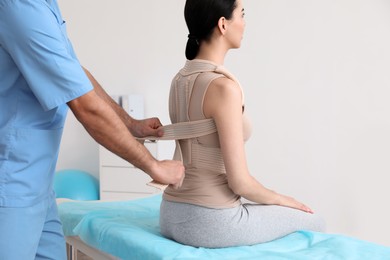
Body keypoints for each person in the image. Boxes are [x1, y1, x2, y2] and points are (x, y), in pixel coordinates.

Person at [0, 0, 184, 259]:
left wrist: (129, 123)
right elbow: (84, 106)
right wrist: (153, 165)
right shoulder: (19, 6)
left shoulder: (44, 5)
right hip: (11, 187)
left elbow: (75, 74)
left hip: (38, 185)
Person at [159, 0, 326, 248]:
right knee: (316, 222)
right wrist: (283, 200)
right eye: (242, 14)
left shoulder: (179, 79)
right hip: (210, 221)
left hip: (170, 213)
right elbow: (240, 183)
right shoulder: (223, 88)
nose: (245, 23)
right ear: (223, 24)